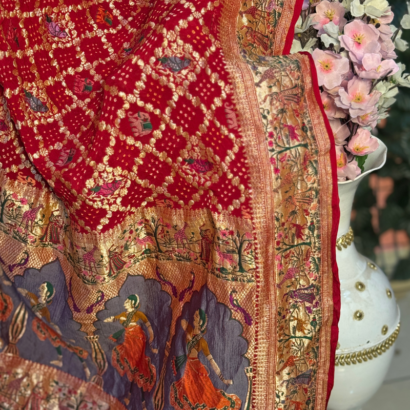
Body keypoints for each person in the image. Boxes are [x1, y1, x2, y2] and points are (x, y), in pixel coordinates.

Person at [170, 309, 241, 410]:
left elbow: (212, 361)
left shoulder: (202, 342)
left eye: (196, 316)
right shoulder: (189, 330)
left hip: (197, 369)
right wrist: (190, 333)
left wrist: (223, 379)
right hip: (188, 368)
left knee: (204, 399)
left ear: (200, 322)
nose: (194, 316)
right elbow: (182, 321)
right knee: (188, 395)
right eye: (195, 314)